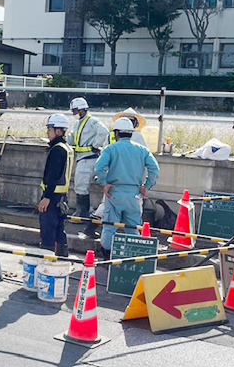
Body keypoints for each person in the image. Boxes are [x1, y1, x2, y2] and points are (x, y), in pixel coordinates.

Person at [93, 118, 160, 261]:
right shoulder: (142, 150)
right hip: (135, 195)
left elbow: (99, 168)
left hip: (114, 193)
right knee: (132, 229)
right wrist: (146, 186)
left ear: (116, 133)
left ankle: (107, 258)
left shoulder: (110, 149)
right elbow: (155, 169)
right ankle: (131, 260)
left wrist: (104, 183)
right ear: (131, 133)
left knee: (110, 227)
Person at [66, 97, 108, 238]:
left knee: (81, 185)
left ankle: (82, 213)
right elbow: (72, 138)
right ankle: (83, 211)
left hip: (89, 158)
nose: (74, 113)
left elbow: (104, 131)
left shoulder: (92, 122)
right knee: (80, 185)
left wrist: (95, 145)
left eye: (76, 111)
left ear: (82, 109)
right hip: (82, 158)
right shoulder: (80, 123)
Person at [38, 113, 73, 257]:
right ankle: (62, 259)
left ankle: (47, 260)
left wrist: (47, 196)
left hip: (52, 198)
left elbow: (53, 175)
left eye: (50, 129)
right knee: (59, 230)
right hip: (61, 198)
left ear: (58, 131)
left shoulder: (57, 149)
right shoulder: (67, 148)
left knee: (48, 230)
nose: (48, 132)